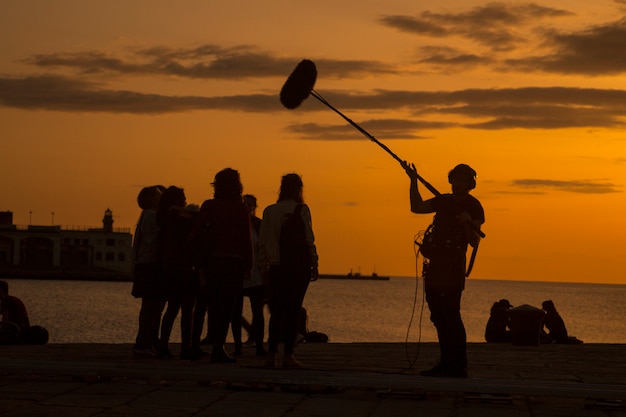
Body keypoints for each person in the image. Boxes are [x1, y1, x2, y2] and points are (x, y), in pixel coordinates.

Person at [402, 162, 484, 378]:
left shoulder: (474, 206)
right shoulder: (443, 201)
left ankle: (458, 364)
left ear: (470, 183)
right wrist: (413, 180)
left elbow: (475, 241)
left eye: (463, 180)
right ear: (451, 180)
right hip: (435, 266)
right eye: (456, 178)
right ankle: (446, 362)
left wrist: (466, 222)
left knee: (452, 316)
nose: (458, 183)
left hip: (454, 268)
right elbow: (416, 207)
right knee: (437, 315)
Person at [190, 168, 253, 363]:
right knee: (227, 307)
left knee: (209, 304)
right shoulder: (241, 208)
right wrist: (249, 263)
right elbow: (246, 238)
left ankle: (195, 345)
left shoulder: (209, 206)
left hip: (212, 261)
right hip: (234, 262)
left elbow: (195, 233)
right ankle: (218, 347)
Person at [259, 173, 319, 368]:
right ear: (299, 189)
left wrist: (263, 268)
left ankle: (271, 356)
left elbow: (263, 244)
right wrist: (314, 263)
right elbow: (309, 240)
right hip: (298, 267)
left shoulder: (269, 211)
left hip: (276, 267)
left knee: (277, 313)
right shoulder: (301, 209)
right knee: (293, 310)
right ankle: (288, 356)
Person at [156, 186, 198, 359]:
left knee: (172, 309)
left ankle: (163, 345)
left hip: (171, 267)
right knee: (187, 310)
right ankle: (185, 347)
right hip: (184, 266)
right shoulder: (180, 217)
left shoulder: (162, 217)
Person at [231, 194, 268, 356]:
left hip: (256, 273)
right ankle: (237, 345)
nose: (247, 207)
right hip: (238, 273)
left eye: (250, 205)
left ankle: (259, 345)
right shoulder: (234, 224)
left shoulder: (258, 225)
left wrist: (265, 270)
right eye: (245, 204)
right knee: (235, 310)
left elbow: (264, 247)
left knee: (257, 311)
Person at [131, 185, 166, 357]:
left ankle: (144, 342)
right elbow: (153, 239)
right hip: (150, 265)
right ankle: (143, 343)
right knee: (152, 307)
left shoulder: (144, 215)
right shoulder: (151, 215)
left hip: (143, 264)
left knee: (149, 307)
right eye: (158, 196)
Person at [0, 280, 30, 344]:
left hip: (16, 331)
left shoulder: (5, 301)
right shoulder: (15, 299)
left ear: (1, 290)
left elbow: (5, 320)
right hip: (25, 331)